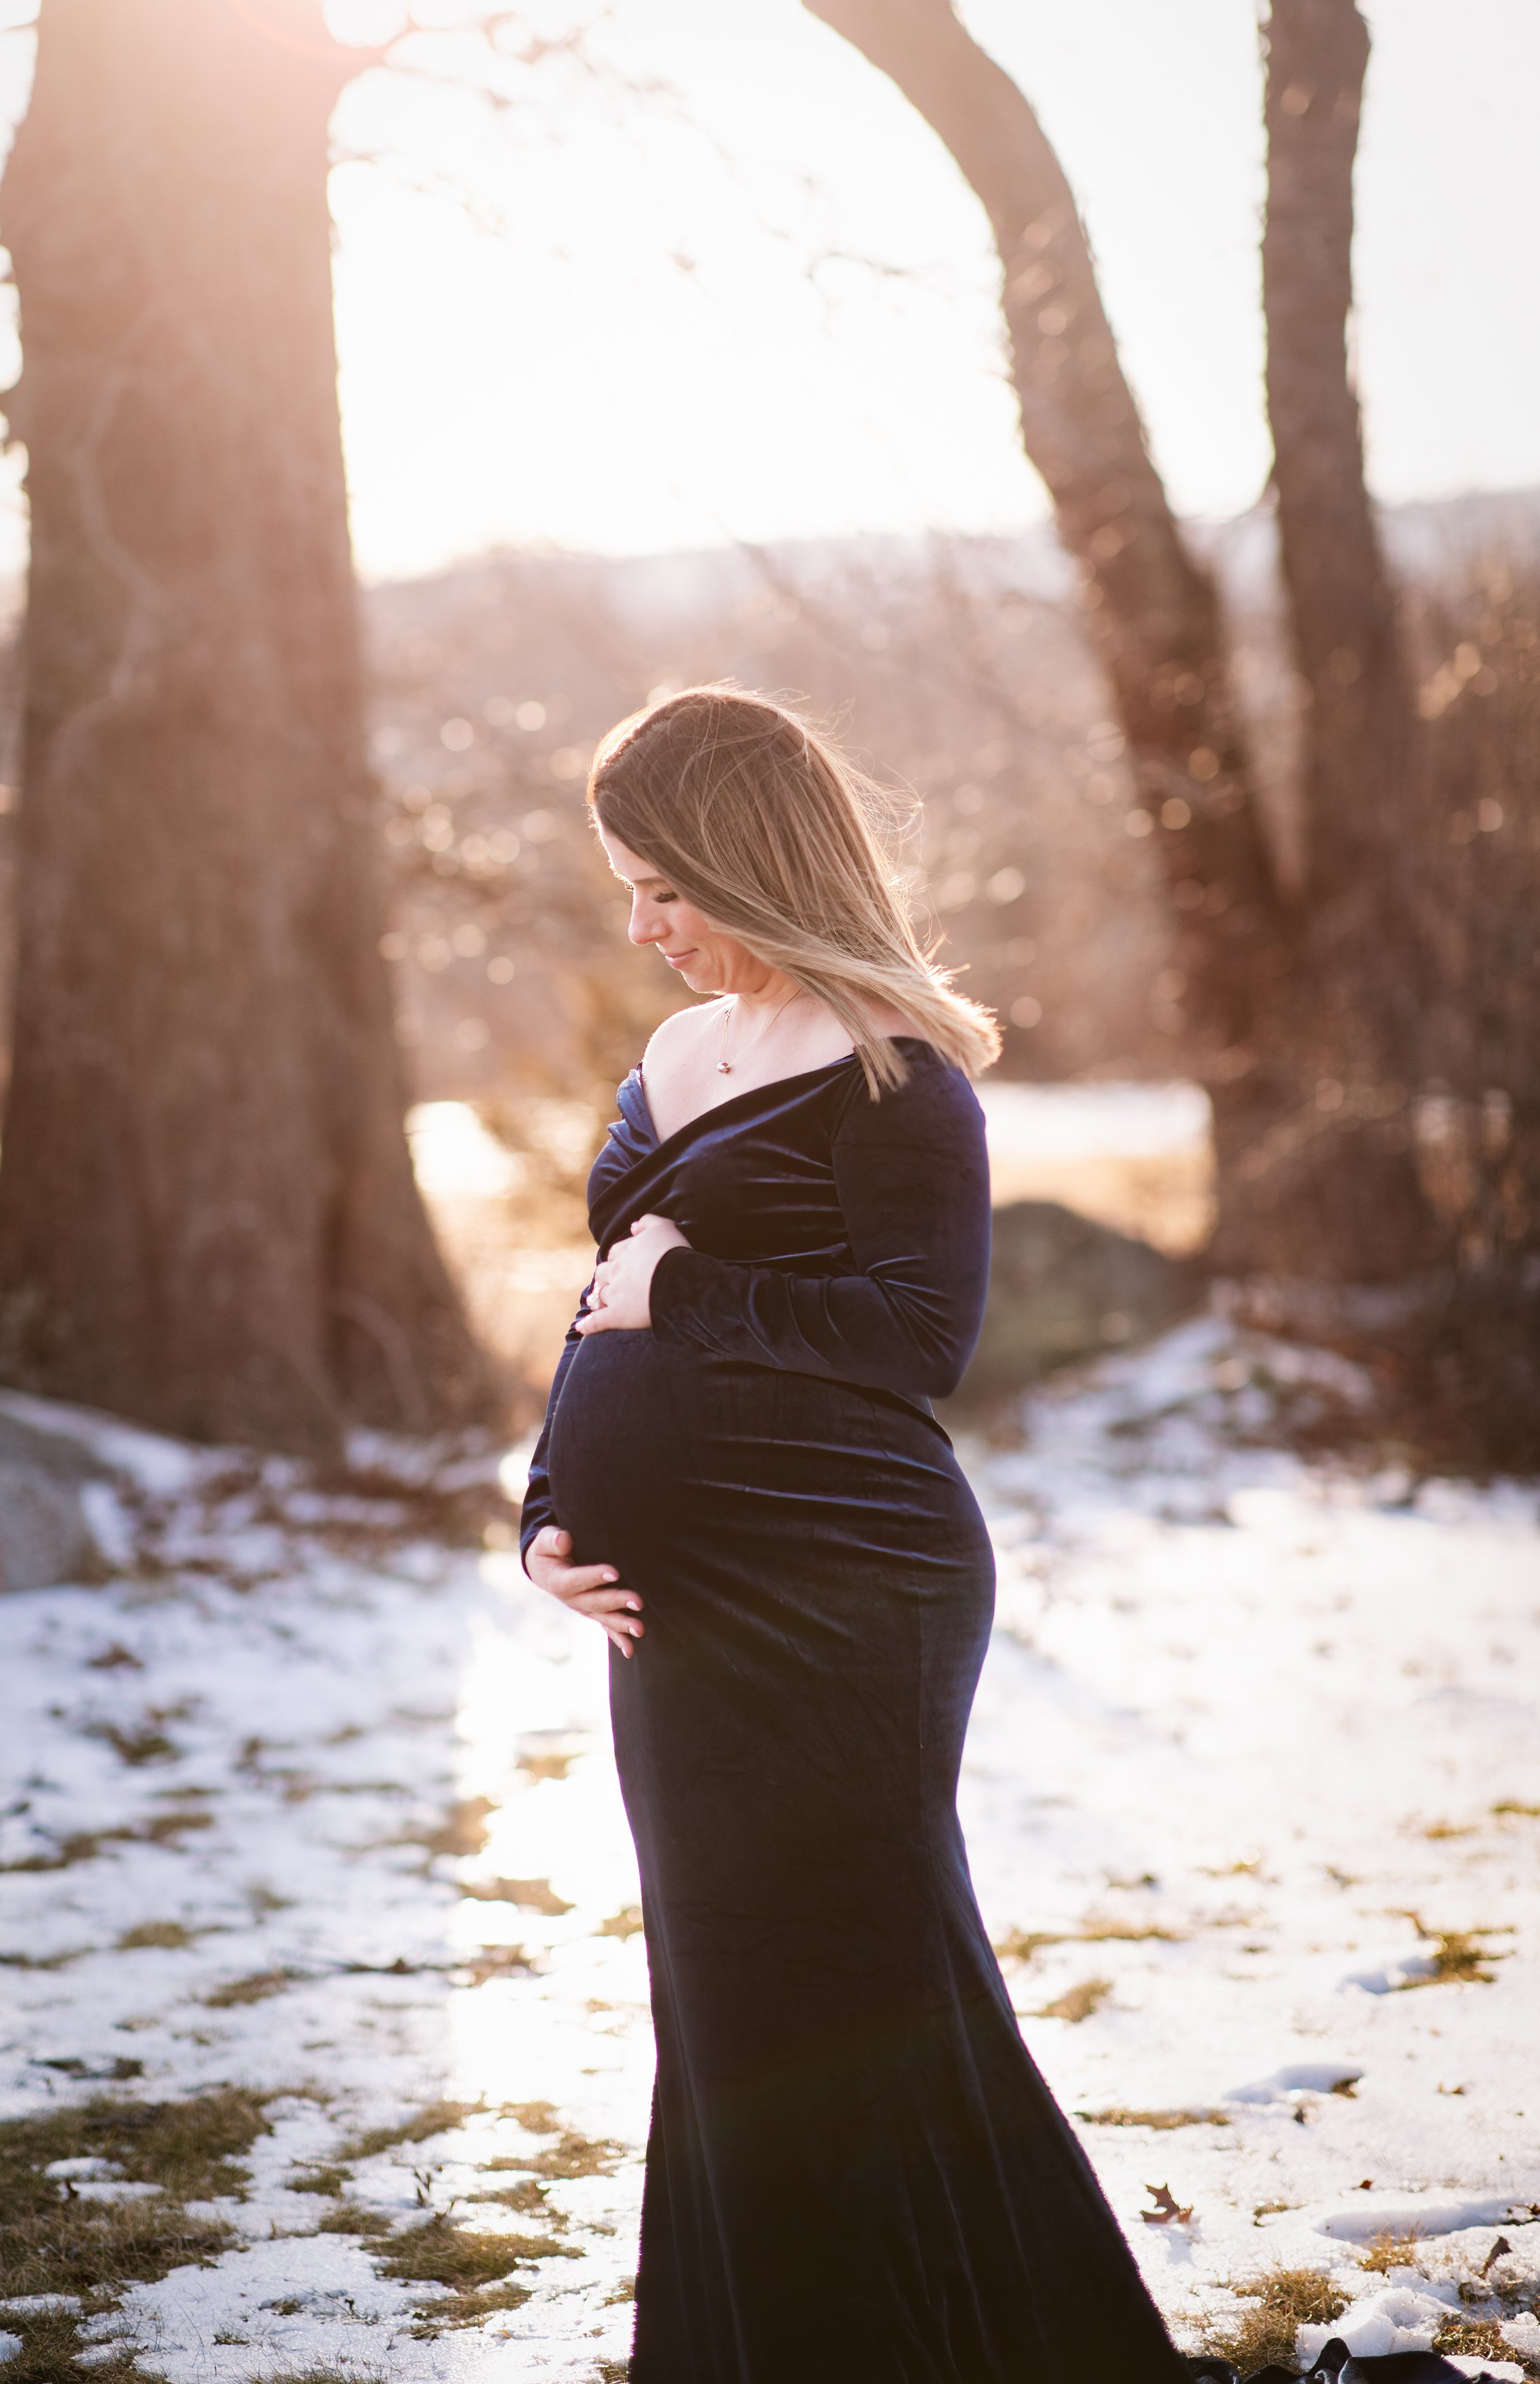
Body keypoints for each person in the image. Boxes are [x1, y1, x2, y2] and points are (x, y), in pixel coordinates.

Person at [520, 686, 1185, 2384]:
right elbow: (607, 1306)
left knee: (863, 1977)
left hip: (850, 1586)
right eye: (627, 888)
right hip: (673, 1603)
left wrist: (701, 1286)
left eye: (666, 887)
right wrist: (546, 1513)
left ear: (750, 861)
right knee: (719, 1993)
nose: (643, 927)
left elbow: (914, 1340)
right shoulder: (671, 1061)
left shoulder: (900, 1078)